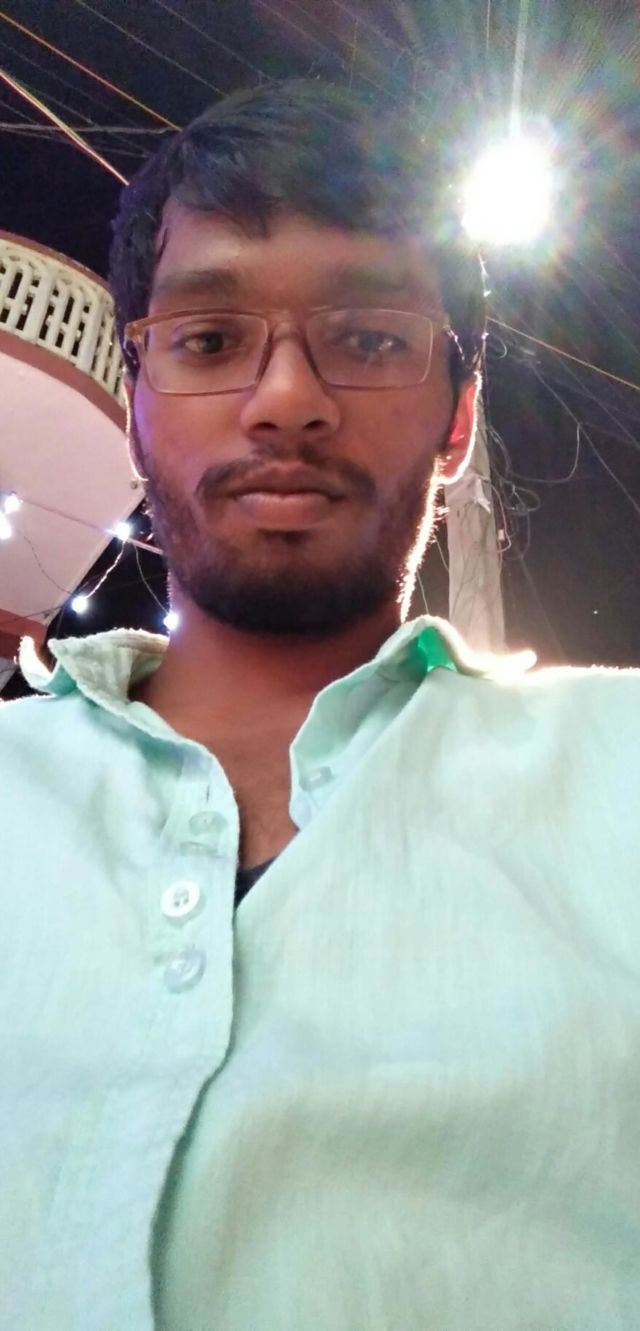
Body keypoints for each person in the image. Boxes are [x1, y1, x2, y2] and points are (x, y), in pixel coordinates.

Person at [1, 77, 639, 1331]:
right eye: (209, 340)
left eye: (369, 338)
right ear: (135, 409)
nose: (285, 398)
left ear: (457, 418)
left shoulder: (618, 771)